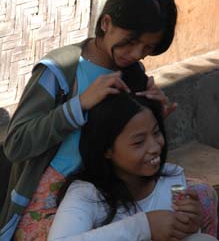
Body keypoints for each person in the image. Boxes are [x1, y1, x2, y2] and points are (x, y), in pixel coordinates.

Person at [0, 0, 179, 240]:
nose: (137, 53)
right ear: (106, 23)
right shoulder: (60, 72)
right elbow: (16, 144)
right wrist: (78, 105)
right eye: (131, 41)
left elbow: (127, 143)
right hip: (51, 202)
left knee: (196, 205)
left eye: (148, 48)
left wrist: (152, 121)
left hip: (108, 190)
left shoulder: (132, 72)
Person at [48, 91, 218, 241]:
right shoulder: (86, 194)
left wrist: (189, 224)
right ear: (106, 150)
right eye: (139, 142)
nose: (155, 147)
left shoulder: (171, 179)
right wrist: (145, 227)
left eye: (156, 132)